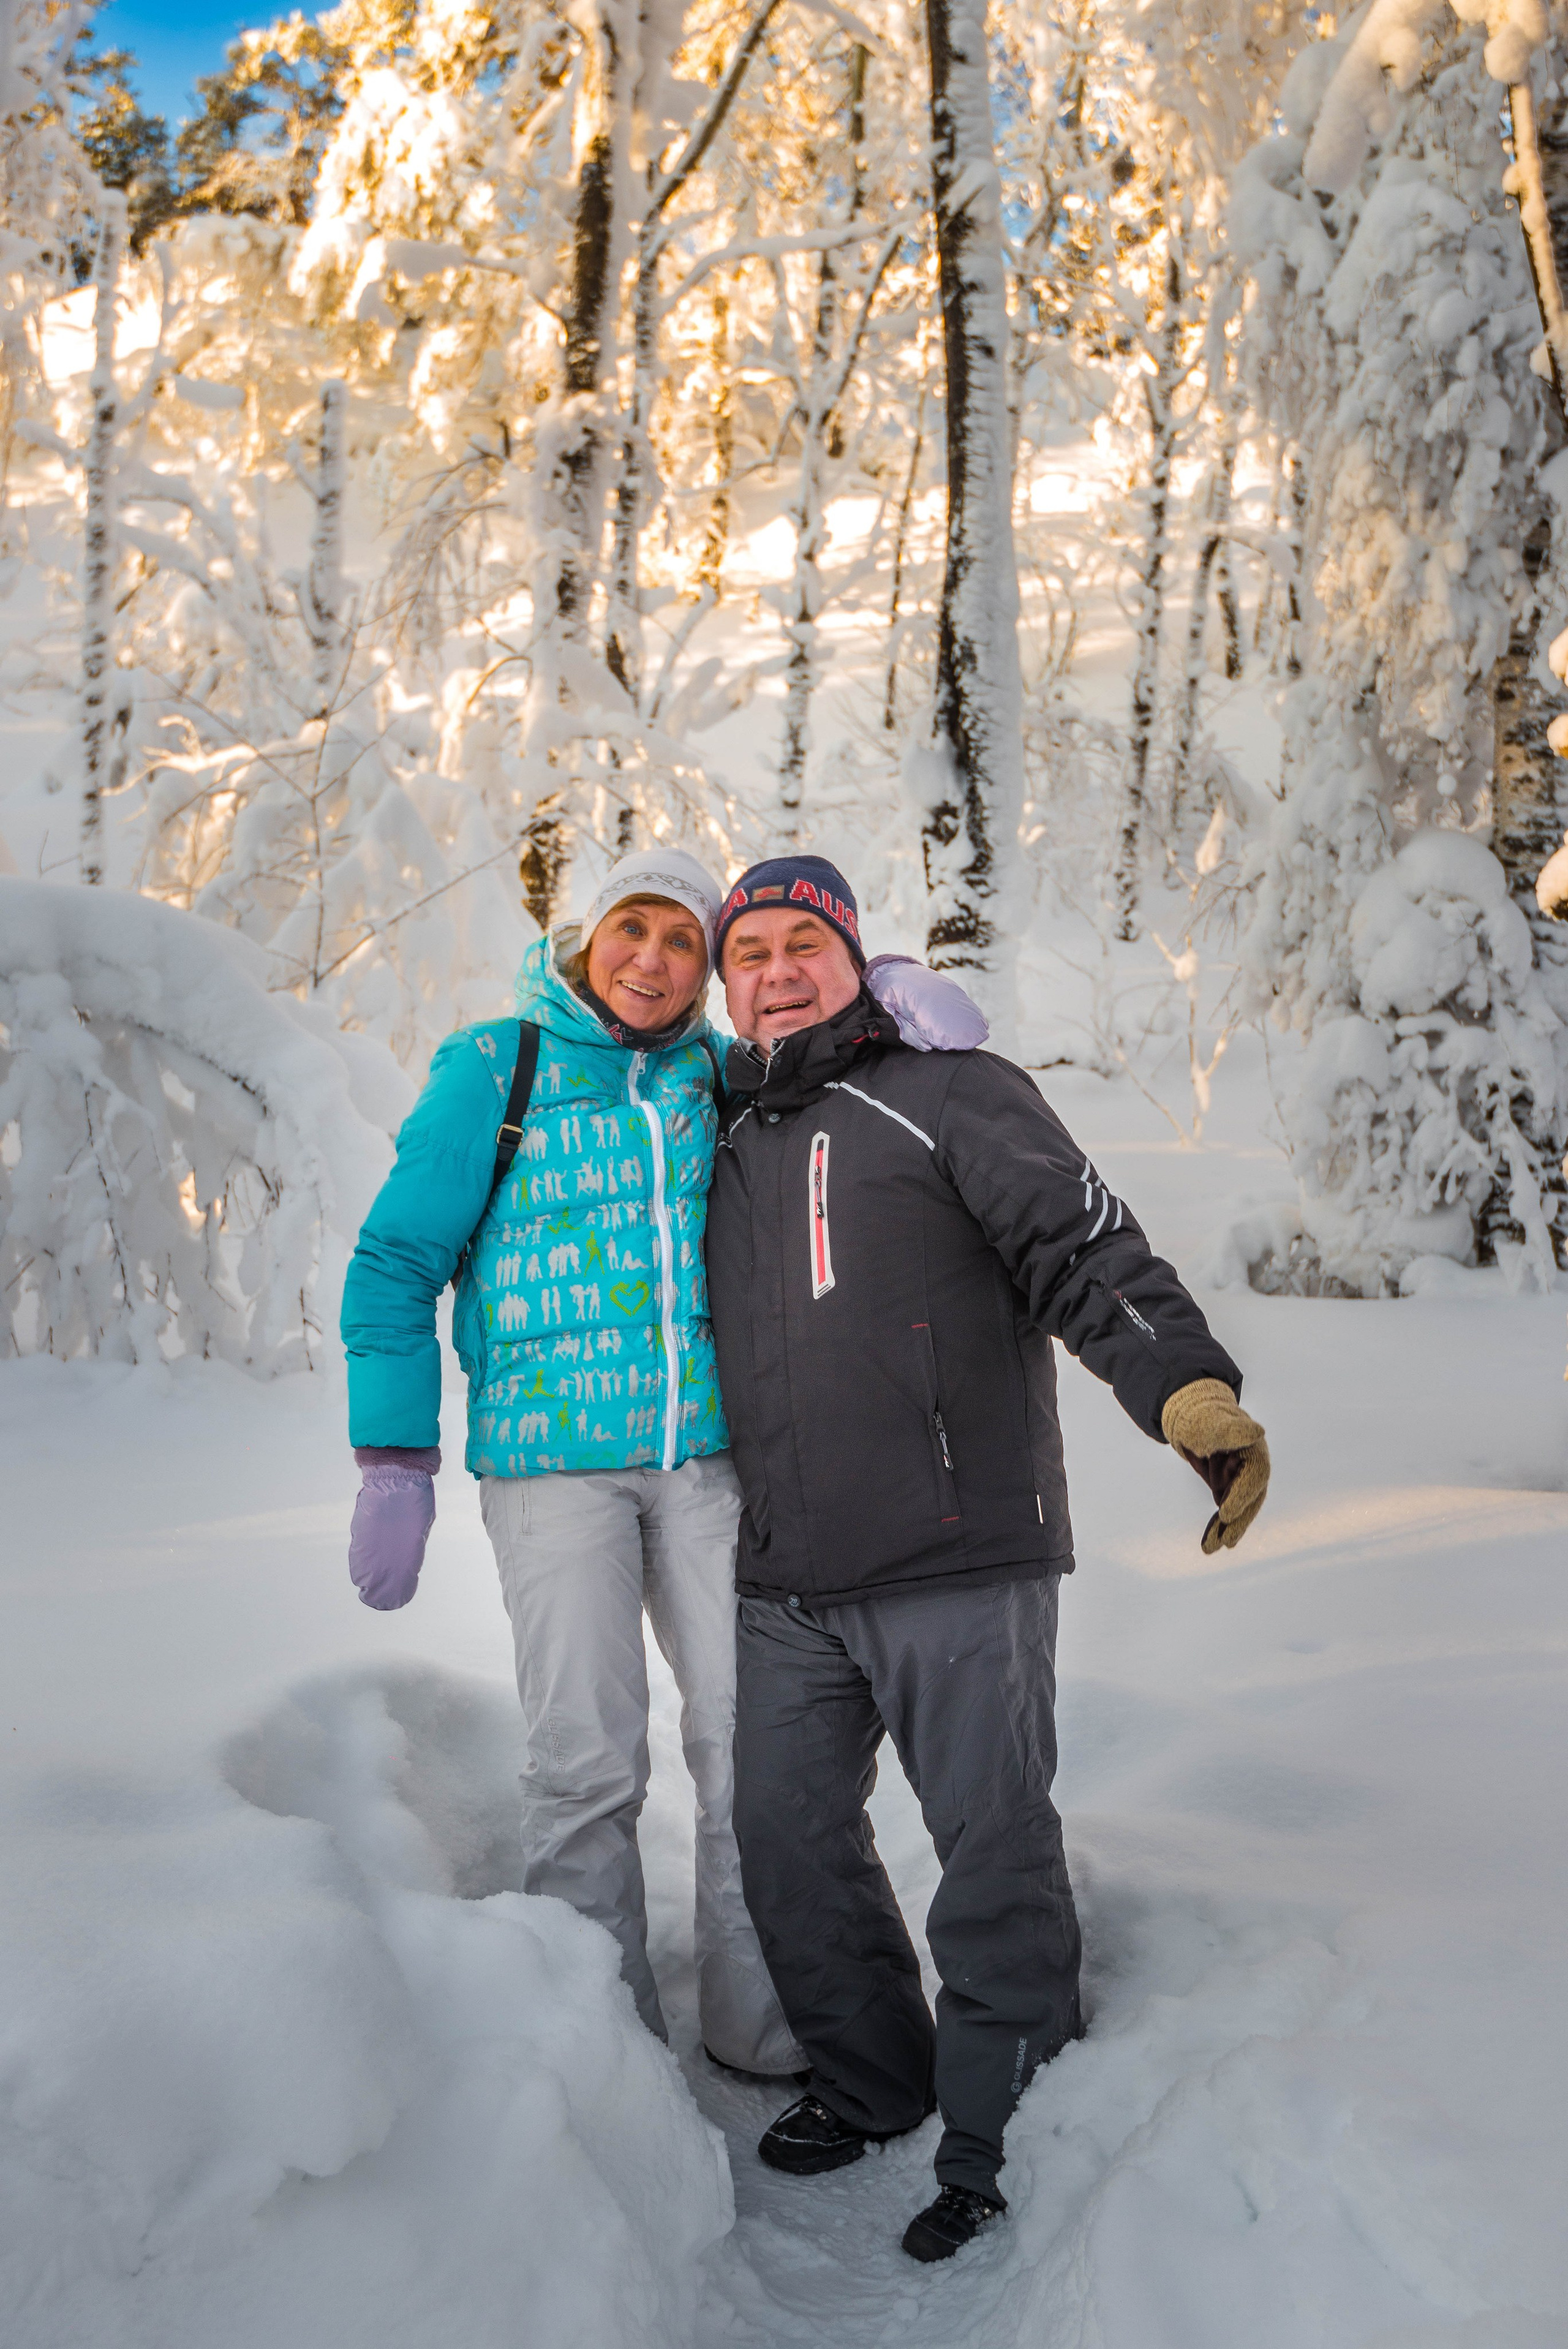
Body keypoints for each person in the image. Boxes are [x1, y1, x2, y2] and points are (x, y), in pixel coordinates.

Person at [703, 853, 1272, 2261]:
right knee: (784, 1844)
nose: (775, 971)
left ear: (851, 957)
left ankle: (1002, 2129)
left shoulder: (949, 1090)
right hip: (785, 1574)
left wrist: (1184, 1394)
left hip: (956, 1548)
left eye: (799, 945)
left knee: (990, 1850)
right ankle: (873, 2076)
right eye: (748, 954)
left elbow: (1084, 1251)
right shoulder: (715, 1129)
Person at [337, 847, 984, 2076]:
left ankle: (765, 2018)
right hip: (552, 1468)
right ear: (588, 935)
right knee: (585, 1755)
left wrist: (886, 984)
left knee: (754, 1748)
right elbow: (393, 1264)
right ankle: (594, 2049)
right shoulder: (496, 1068)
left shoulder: (710, 1072)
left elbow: (809, 1032)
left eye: (683, 940)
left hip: (707, 1466)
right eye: (632, 929)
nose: (652, 958)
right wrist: (393, 1461)